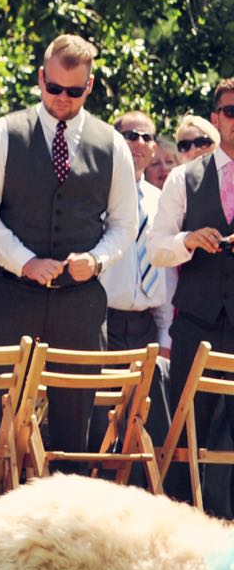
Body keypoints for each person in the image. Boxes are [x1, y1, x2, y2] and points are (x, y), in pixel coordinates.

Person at [0, 35, 135, 506]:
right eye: (55, 88)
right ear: (41, 78)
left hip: (80, 301)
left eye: (74, 92)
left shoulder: (112, 144)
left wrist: (96, 260)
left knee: (78, 413)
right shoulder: (5, 133)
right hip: (12, 293)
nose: (62, 99)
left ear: (90, 87)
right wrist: (24, 261)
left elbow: (124, 224)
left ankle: (69, 524)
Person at [148, 76, 234, 516]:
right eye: (231, 111)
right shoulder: (184, 177)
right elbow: (155, 248)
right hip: (196, 325)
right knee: (187, 435)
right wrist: (188, 239)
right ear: (217, 118)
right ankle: (181, 532)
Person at [104, 110, 174, 447]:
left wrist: (164, 336)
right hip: (104, 324)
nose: (140, 143)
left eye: (147, 137)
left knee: (145, 428)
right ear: (115, 140)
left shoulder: (162, 200)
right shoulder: (97, 194)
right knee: (101, 424)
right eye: (131, 135)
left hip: (146, 326)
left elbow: (165, 274)